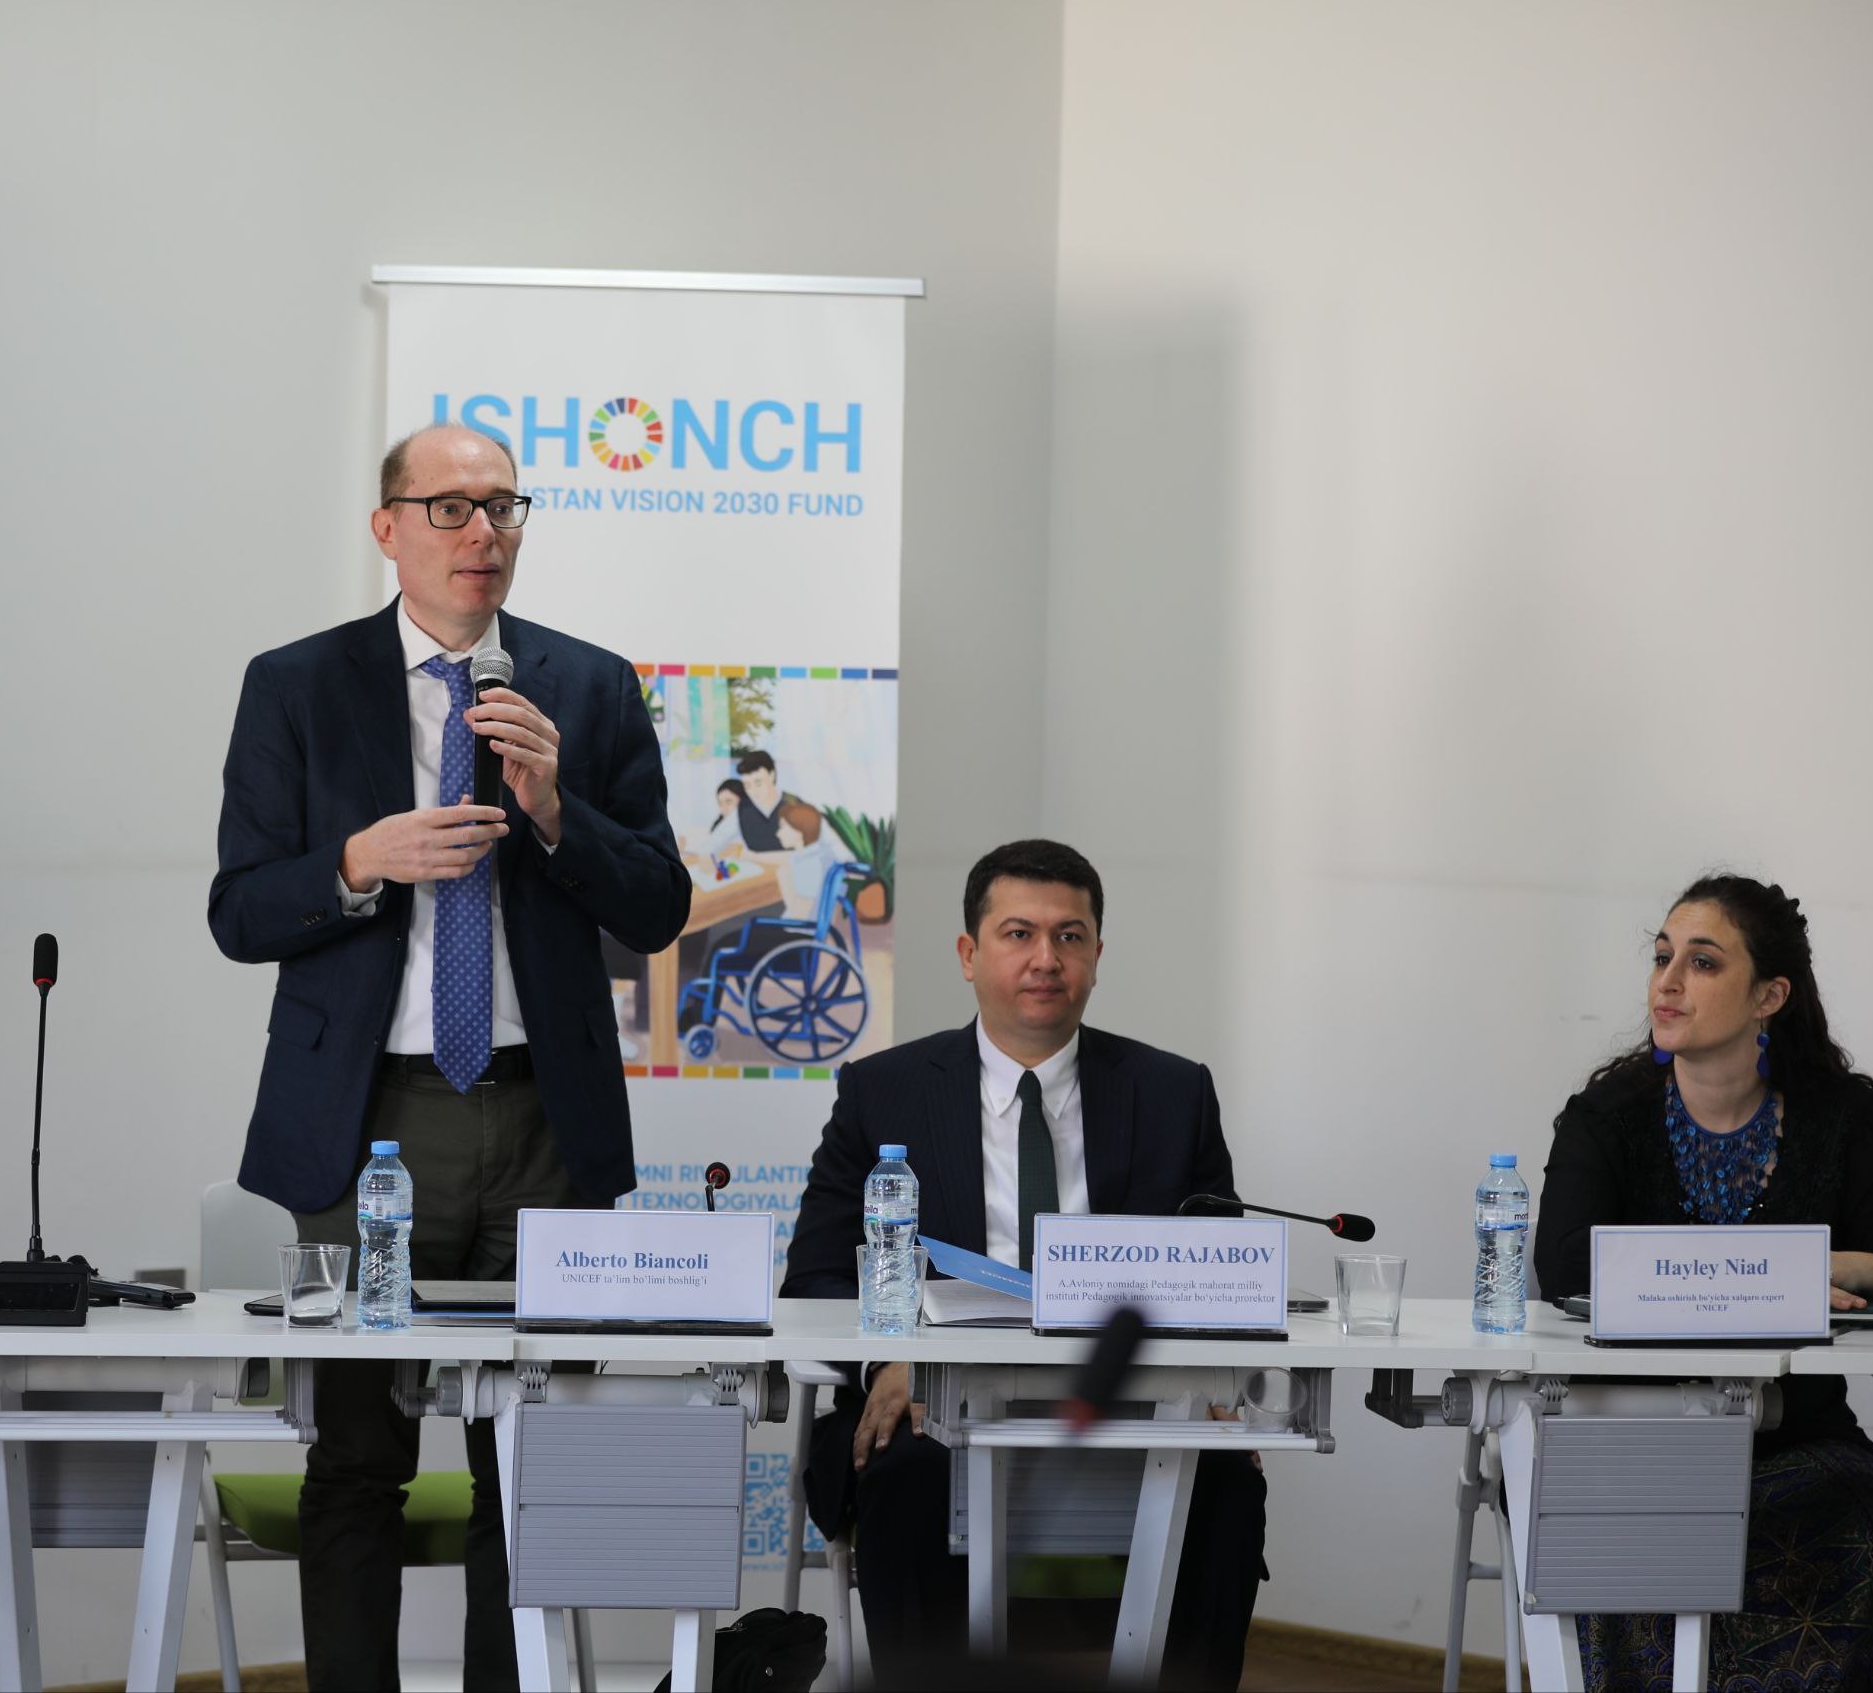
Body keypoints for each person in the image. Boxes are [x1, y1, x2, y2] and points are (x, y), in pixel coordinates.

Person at [208, 422, 690, 1690]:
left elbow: (656, 908)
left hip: (543, 1122)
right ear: (388, 527)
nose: (483, 532)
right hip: (365, 1121)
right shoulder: (297, 684)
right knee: (356, 1461)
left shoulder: (589, 687)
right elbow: (239, 911)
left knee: (527, 1467)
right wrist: (356, 862)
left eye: (503, 507)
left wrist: (555, 813)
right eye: (451, 508)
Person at [781, 838, 1267, 1688]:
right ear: (969, 953)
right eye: (1019, 934)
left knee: (1223, 1485)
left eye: (1069, 936)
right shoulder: (883, 1090)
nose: (1047, 959)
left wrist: (1213, 1378)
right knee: (906, 1479)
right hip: (938, 1413)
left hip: (1127, 1405)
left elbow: (1218, 1270)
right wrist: (891, 1359)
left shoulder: (1172, 1093)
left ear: (1097, 955)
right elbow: (817, 1276)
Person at [1536, 874, 1873, 1688]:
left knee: (1872, 1538)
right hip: (1633, 1442)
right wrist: (1757, 1274)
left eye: (1702, 962)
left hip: (1800, 1442)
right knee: (1645, 1565)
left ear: (1770, 995)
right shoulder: (1607, 1115)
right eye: (1661, 957)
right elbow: (1566, 1267)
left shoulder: (1843, 1116)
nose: (1667, 982)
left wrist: (1827, 1265)